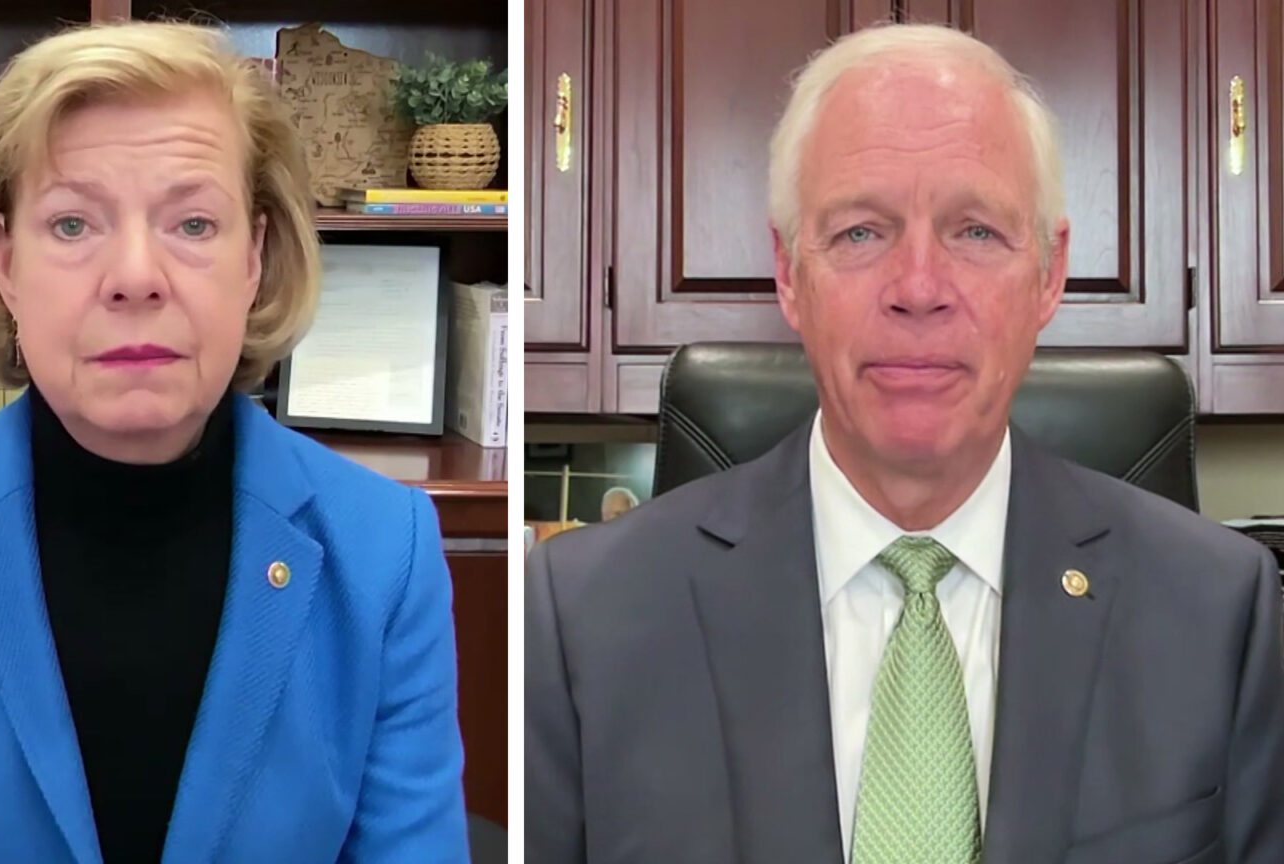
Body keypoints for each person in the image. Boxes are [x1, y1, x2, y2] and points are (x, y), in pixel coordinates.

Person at [526, 22, 1284, 864]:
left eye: (976, 231)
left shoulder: (1219, 609)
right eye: (861, 232)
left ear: (1050, 272)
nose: (919, 289)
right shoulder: (580, 615)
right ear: (789, 272)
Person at [0, 20, 469, 864]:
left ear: (255, 257)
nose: (134, 277)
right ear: (6, 263)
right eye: (72, 225)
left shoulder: (384, 551)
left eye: (193, 224)